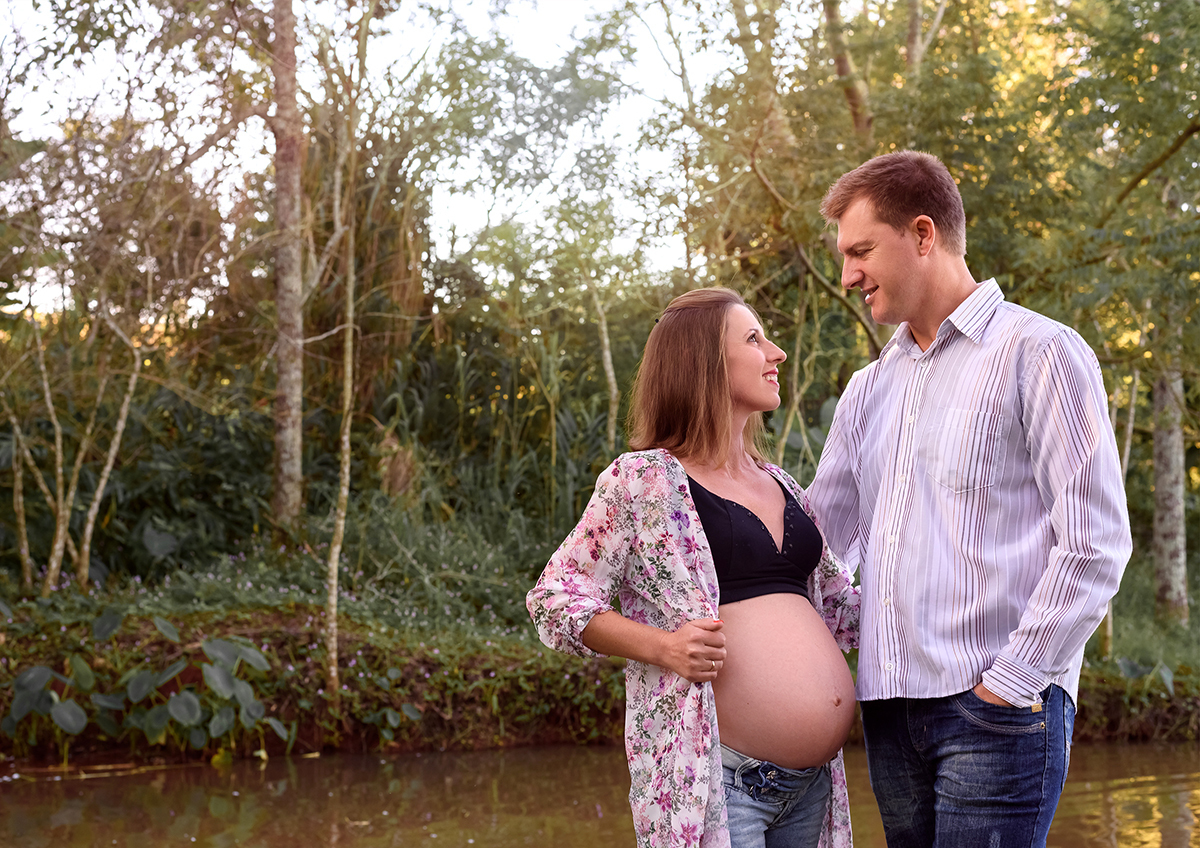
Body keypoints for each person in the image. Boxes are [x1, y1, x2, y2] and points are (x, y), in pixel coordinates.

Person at [807, 151, 1133, 848]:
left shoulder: (1041, 353)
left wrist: (1011, 682)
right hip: (889, 712)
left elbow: (1096, 541)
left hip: (994, 709)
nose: (847, 276)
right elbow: (817, 544)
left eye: (861, 250)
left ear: (923, 235)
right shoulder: (868, 389)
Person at [527, 287, 860, 848]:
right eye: (754, 339)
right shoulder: (643, 482)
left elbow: (842, 612)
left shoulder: (783, 484)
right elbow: (555, 599)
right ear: (703, 361)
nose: (776, 353)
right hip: (718, 782)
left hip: (813, 787)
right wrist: (664, 647)